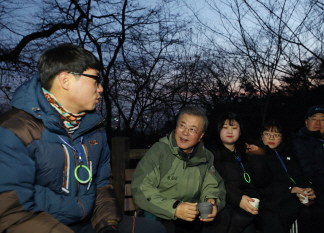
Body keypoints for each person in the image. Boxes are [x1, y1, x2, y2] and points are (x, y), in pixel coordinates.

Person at [0, 44, 166, 233]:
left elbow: (102, 185)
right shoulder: (13, 130)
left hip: (89, 224)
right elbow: (11, 216)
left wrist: (107, 226)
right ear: (66, 80)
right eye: (95, 79)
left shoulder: (94, 128)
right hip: (41, 226)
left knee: (154, 229)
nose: (101, 88)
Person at [131, 106, 229, 233]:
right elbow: (141, 188)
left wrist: (212, 201)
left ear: (201, 136)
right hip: (161, 211)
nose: (185, 132)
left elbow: (211, 185)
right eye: (182, 126)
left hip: (192, 214)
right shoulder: (159, 151)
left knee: (223, 217)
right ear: (176, 127)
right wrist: (175, 208)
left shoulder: (206, 156)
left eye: (192, 129)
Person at [248, 120, 324, 233]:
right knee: (300, 213)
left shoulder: (287, 154)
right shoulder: (257, 154)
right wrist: (290, 189)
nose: (272, 138)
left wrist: (308, 189)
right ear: (262, 136)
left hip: (294, 195)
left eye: (276, 135)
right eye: (267, 134)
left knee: (320, 213)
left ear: (281, 138)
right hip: (273, 198)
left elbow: (299, 176)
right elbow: (262, 184)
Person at [209, 112, 261, 233]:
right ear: (218, 130)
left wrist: (258, 155)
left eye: (234, 128)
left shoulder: (245, 153)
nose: (230, 132)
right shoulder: (212, 154)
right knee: (240, 219)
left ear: (240, 131)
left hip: (249, 202)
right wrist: (239, 198)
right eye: (225, 127)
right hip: (226, 201)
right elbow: (216, 183)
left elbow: (260, 181)